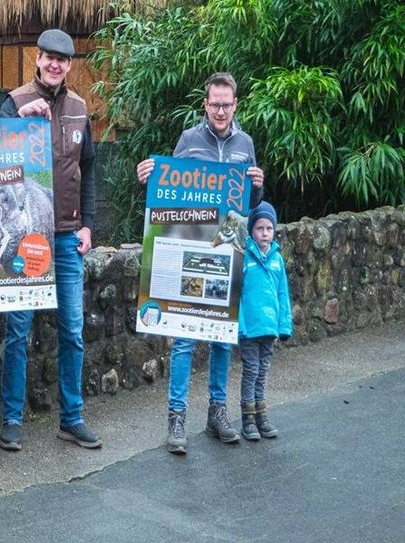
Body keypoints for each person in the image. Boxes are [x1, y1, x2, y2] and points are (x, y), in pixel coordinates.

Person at [136, 72, 265, 455]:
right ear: (205, 105)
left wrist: (257, 185)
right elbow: (169, 194)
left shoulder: (246, 144)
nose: (221, 110)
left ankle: (217, 412)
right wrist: (149, 177)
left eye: (227, 104)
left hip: (229, 255)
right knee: (184, 338)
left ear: (235, 104)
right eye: (215, 104)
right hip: (191, 252)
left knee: (222, 338)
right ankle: (176, 417)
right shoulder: (189, 141)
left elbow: (252, 204)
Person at [0, 29, 100, 452]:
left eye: (63, 59)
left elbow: (89, 169)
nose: (55, 65)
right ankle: (11, 419)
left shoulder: (79, 109)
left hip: (66, 236)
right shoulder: (15, 102)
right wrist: (20, 124)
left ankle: (71, 418)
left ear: (69, 65)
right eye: (48, 57)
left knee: (72, 331)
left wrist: (89, 224)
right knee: (17, 331)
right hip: (27, 238)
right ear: (36, 59)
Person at [238, 201, 291, 440]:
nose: (265, 233)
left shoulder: (277, 260)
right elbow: (237, 295)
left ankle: (261, 415)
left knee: (262, 372)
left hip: (269, 328)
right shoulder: (244, 258)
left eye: (269, 228)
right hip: (250, 328)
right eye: (260, 228)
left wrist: (284, 325)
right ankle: (247, 418)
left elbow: (283, 294)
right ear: (251, 230)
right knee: (251, 371)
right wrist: (240, 325)